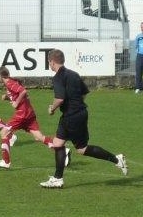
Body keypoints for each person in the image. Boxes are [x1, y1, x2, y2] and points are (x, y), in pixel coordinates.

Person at [41, 49, 127, 189]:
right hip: (77, 113)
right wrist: (76, 104)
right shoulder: (74, 74)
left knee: (81, 149)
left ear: (52, 62)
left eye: (49, 62)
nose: (49, 65)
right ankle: (57, 179)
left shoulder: (58, 77)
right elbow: (85, 92)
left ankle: (116, 159)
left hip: (72, 116)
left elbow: (59, 99)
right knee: (57, 143)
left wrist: (52, 108)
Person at [0, 66, 70, 169]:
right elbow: (17, 94)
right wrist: (7, 98)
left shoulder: (10, 83)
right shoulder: (11, 82)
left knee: (3, 132)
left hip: (22, 114)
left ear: (0, 76)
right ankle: (62, 151)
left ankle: (6, 162)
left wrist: (16, 103)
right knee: (39, 137)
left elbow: (23, 91)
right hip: (28, 113)